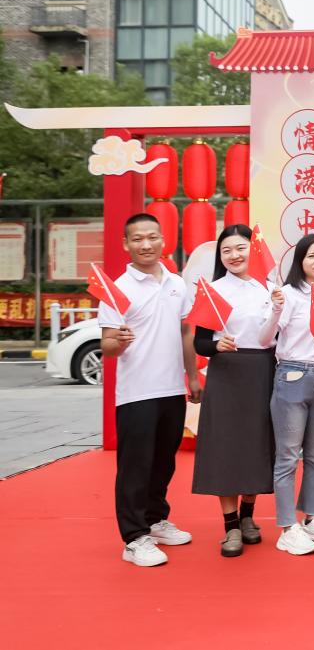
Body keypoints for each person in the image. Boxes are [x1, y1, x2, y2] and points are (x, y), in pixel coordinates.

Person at [99, 213, 201, 568]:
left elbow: (185, 332)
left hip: (171, 388)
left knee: (163, 461)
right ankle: (133, 538)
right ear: (126, 244)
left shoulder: (176, 283)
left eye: (152, 237)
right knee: (135, 466)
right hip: (137, 393)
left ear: (163, 240)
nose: (146, 244)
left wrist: (192, 377)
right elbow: (107, 346)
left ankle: (155, 520)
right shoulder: (117, 289)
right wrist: (119, 341)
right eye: (138, 239)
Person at [184, 224, 276, 558]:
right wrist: (216, 346)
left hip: (263, 371)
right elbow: (200, 342)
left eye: (240, 248)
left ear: (253, 250)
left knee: (257, 445)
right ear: (220, 256)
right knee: (225, 448)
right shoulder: (213, 291)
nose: (234, 255)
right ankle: (230, 526)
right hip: (226, 374)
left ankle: (248, 516)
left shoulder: (269, 289)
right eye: (227, 250)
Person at [261, 233, 314, 556]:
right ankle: (287, 527)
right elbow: (264, 339)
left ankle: (312, 517)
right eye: (311, 255)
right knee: (288, 456)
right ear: (300, 260)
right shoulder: (287, 294)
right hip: (293, 375)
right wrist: (274, 310)